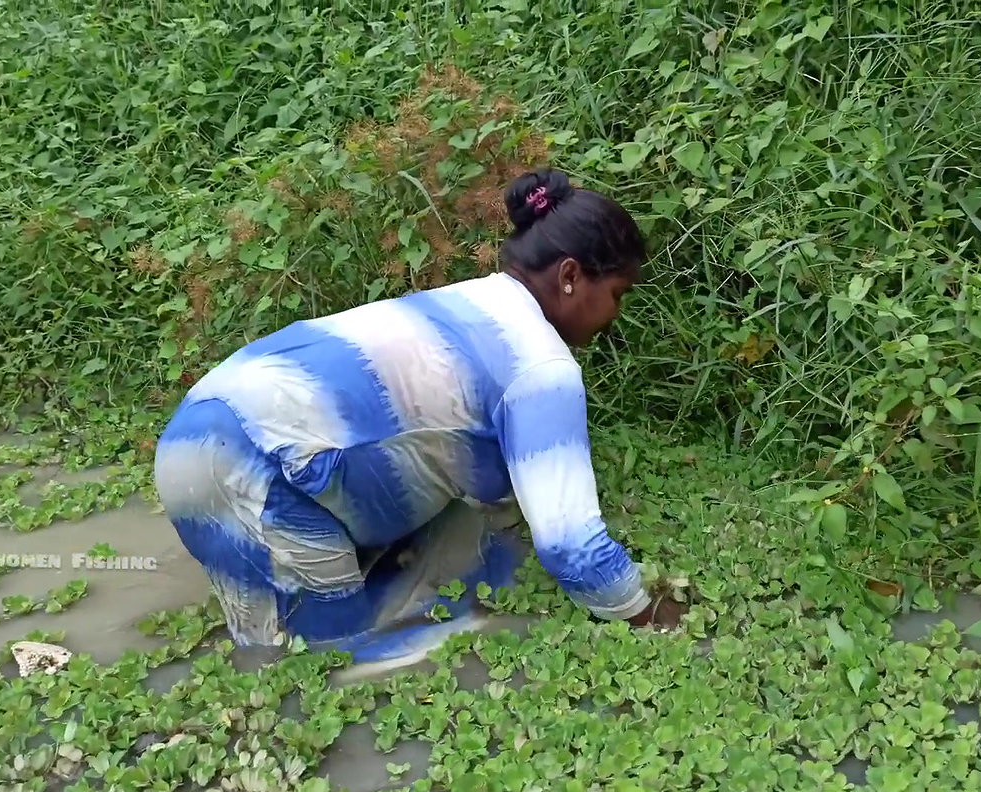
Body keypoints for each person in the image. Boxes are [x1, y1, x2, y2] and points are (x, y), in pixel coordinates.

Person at [153, 168, 686, 664]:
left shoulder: (471, 300)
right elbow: (571, 544)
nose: (615, 315)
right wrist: (650, 615)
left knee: (274, 640)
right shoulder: (540, 367)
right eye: (617, 294)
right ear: (571, 275)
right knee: (322, 661)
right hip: (251, 464)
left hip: (196, 431)